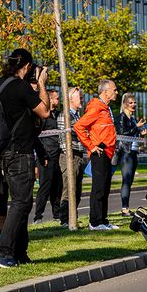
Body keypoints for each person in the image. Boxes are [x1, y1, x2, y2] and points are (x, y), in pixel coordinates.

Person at [0, 49, 52, 269]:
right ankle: (3, 252)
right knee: (21, 203)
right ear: (26, 66)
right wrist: (42, 84)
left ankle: (19, 252)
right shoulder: (20, 86)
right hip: (19, 153)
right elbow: (44, 111)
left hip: (4, 152)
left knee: (21, 202)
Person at [75, 79, 119, 231]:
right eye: (114, 89)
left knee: (105, 187)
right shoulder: (96, 107)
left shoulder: (106, 108)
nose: (116, 92)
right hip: (99, 152)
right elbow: (79, 126)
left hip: (107, 152)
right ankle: (94, 222)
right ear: (105, 91)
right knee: (98, 188)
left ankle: (102, 220)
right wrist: (91, 146)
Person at [58, 86, 88, 225]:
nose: (82, 99)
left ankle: (73, 218)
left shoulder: (77, 115)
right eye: (79, 97)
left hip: (79, 155)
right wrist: (69, 158)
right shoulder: (65, 115)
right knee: (69, 189)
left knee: (77, 189)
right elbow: (64, 139)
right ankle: (65, 219)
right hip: (70, 156)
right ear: (70, 99)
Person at [33, 89, 62, 223]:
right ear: (49, 99)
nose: (58, 100)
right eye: (56, 98)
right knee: (45, 186)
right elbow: (36, 137)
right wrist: (41, 156)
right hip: (46, 156)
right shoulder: (43, 117)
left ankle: (57, 215)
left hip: (57, 156)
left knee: (57, 187)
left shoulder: (58, 115)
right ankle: (38, 216)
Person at [116, 93, 146, 216]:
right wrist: (136, 127)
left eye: (134, 102)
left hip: (133, 151)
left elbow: (133, 134)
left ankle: (126, 208)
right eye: (131, 103)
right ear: (125, 104)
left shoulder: (132, 118)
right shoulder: (121, 117)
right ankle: (124, 209)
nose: (133, 105)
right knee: (126, 179)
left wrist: (140, 133)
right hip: (125, 153)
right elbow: (123, 133)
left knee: (130, 180)